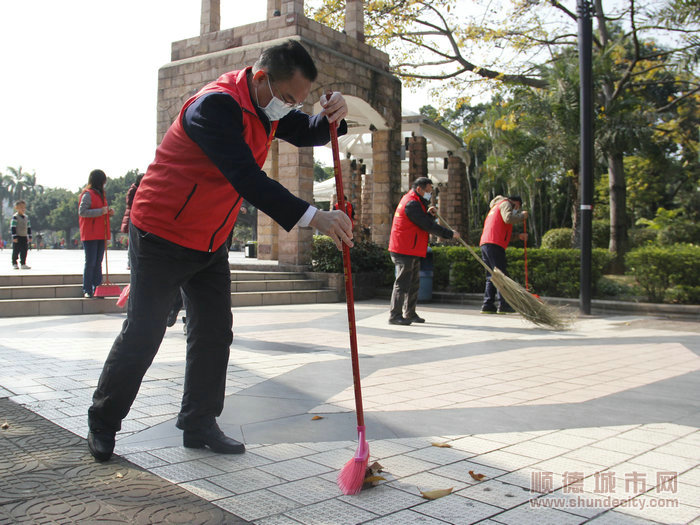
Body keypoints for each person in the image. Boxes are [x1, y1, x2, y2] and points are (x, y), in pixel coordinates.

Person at [86, 40, 353, 462]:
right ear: (262, 78)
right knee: (145, 331)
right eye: (287, 99)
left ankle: (199, 423)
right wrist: (313, 216)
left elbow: (312, 132)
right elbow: (246, 178)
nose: (290, 108)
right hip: (161, 233)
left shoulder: (269, 107)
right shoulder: (215, 106)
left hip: (210, 239)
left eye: (297, 102)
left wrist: (336, 117)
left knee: (214, 332)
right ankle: (103, 422)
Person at [388, 177, 459, 325]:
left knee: (414, 283)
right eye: (428, 191)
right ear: (419, 189)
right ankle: (395, 315)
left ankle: (410, 313)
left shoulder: (415, 201)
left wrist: (429, 213)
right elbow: (427, 225)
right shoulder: (411, 203)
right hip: (403, 249)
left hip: (411, 248)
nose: (430, 194)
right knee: (402, 283)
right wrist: (450, 234)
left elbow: (421, 220)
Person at [479, 195, 528, 314]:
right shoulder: (506, 203)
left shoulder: (495, 207)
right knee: (501, 275)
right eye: (517, 207)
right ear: (515, 202)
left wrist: (518, 236)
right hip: (494, 244)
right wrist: (522, 216)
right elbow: (508, 219)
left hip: (487, 243)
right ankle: (504, 304)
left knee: (492, 276)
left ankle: (488, 304)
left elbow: (502, 230)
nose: (516, 209)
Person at [78, 169, 113, 298]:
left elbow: (101, 212)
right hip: (90, 234)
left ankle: (97, 288)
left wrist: (108, 212)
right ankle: (87, 288)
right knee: (91, 262)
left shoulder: (101, 195)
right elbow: (82, 211)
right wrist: (100, 211)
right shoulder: (88, 194)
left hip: (100, 233)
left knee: (98, 262)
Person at [120, 173, 144, 269]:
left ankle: (136, 262)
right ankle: (130, 263)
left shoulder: (142, 189)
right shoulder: (133, 190)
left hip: (140, 217)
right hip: (133, 217)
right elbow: (131, 203)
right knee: (132, 242)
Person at [10, 200, 32, 269]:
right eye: (20, 207)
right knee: (16, 250)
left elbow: (28, 227)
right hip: (17, 236)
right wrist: (14, 236)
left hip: (24, 236)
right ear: (16, 208)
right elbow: (13, 227)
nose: (23, 209)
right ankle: (14, 263)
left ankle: (23, 263)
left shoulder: (26, 217)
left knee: (24, 250)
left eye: (24, 207)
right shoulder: (15, 217)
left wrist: (30, 236)